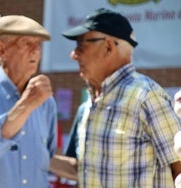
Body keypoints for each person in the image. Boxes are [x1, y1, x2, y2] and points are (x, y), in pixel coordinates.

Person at [50, 8, 181, 187]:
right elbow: (83, 169)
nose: (74, 55)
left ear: (108, 46)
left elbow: (179, 165)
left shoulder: (147, 97)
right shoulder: (87, 106)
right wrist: (33, 153)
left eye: (81, 45)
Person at [0, 15, 57, 188]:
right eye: (26, 43)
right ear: (1, 50)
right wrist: (25, 105)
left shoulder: (46, 102)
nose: (36, 50)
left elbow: (48, 156)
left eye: (38, 44)